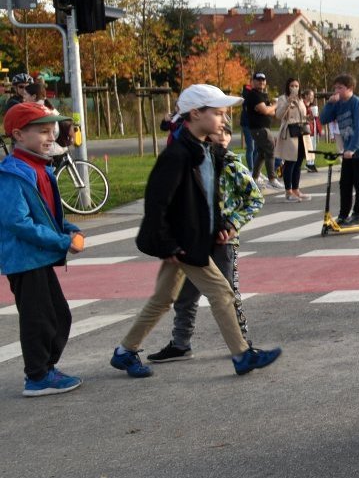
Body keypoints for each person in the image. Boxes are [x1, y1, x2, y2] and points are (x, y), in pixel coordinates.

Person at [110, 85, 282, 379]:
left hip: (189, 241)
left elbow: (204, 200)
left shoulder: (206, 150)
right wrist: (169, 246)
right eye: (216, 113)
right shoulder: (178, 155)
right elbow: (157, 204)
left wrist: (220, 227)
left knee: (163, 299)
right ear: (194, 114)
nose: (222, 119)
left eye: (224, 113)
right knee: (222, 292)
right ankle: (242, 355)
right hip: (183, 244)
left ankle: (125, 351)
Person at [145, 122, 261, 364]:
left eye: (223, 132)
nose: (218, 136)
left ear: (229, 137)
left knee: (227, 291)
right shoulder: (195, 161)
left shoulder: (232, 165)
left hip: (223, 241)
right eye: (213, 133)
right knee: (185, 295)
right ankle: (181, 343)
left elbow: (255, 199)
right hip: (194, 238)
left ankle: (241, 341)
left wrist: (231, 225)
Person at [2, 101, 85, 396]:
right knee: (38, 319)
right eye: (42, 131)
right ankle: (36, 376)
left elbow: (46, 214)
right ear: (18, 135)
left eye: (52, 130)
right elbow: (18, 222)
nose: (51, 136)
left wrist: (68, 229)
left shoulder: (40, 167)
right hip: (24, 259)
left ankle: (46, 369)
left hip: (38, 256)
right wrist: (63, 242)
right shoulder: (14, 173)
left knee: (59, 315)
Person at [319, 74, 359, 224]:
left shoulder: (356, 103)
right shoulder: (337, 104)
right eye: (335, 87)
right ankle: (343, 214)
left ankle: (357, 214)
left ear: (350, 88)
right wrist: (329, 104)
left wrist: (352, 149)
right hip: (348, 151)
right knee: (345, 183)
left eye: (340, 88)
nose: (336, 91)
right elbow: (324, 119)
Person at [272, 78, 312, 201]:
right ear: (288, 87)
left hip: (301, 132)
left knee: (299, 161)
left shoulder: (300, 99)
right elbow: (278, 115)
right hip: (290, 132)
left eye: (296, 86)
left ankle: (296, 189)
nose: (294, 88)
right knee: (290, 161)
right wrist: (288, 102)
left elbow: (301, 114)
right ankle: (288, 192)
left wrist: (307, 118)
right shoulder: (283, 98)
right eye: (292, 85)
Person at [241, 72, 278, 189]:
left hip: (262, 127)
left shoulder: (262, 95)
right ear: (253, 81)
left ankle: (255, 177)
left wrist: (269, 108)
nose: (261, 82)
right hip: (259, 128)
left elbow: (271, 112)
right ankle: (272, 178)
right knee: (270, 151)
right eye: (258, 80)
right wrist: (275, 105)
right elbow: (266, 111)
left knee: (262, 153)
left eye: (263, 80)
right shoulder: (254, 95)